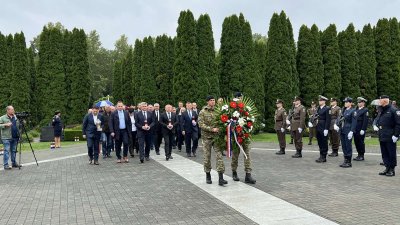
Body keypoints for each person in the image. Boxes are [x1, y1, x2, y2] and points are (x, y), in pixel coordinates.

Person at [199, 96, 227, 186]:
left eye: (214, 100)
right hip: (206, 138)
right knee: (207, 157)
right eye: (211, 100)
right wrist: (212, 129)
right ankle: (208, 175)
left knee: (219, 156)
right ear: (207, 102)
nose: (213, 102)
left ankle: (221, 178)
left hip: (216, 138)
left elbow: (222, 121)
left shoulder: (218, 111)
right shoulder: (203, 112)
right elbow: (201, 124)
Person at [231, 92, 256, 184]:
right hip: (236, 136)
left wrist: (249, 125)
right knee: (235, 155)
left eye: (241, 98)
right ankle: (234, 172)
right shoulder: (231, 109)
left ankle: (248, 175)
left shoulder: (245, 108)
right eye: (239, 98)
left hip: (245, 135)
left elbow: (249, 118)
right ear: (236, 99)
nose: (240, 99)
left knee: (247, 154)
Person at [374, 95, 400, 176]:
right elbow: (378, 120)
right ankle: (387, 168)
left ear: (384, 101)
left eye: (380, 100)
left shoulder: (393, 110)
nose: (379, 101)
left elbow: (398, 124)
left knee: (391, 153)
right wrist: (375, 125)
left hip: (390, 136)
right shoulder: (381, 110)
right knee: (384, 153)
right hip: (382, 135)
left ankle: (392, 169)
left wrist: (396, 135)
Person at [335, 97, 356, 168]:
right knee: (344, 146)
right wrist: (337, 125)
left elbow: (354, 122)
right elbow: (339, 118)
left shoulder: (353, 111)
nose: (345, 103)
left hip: (348, 130)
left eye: (346, 102)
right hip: (342, 130)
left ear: (350, 103)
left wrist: (352, 131)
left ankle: (349, 162)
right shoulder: (343, 110)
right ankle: (345, 160)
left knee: (348, 146)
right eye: (345, 102)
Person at [315, 95, 331, 163]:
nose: (319, 101)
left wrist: (326, 129)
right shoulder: (318, 108)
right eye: (319, 100)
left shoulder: (327, 108)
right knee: (320, 142)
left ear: (324, 101)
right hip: (318, 126)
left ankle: (324, 156)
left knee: (324, 142)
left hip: (324, 126)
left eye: (321, 100)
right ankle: (321, 155)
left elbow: (328, 119)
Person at [353, 97, 368, 161]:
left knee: (361, 142)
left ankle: (362, 155)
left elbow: (365, 120)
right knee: (356, 141)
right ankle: (359, 154)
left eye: (360, 102)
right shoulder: (356, 109)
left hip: (360, 128)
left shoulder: (365, 110)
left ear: (363, 103)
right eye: (358, 102)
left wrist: (363, 129)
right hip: (355, 128)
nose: (358, 103)